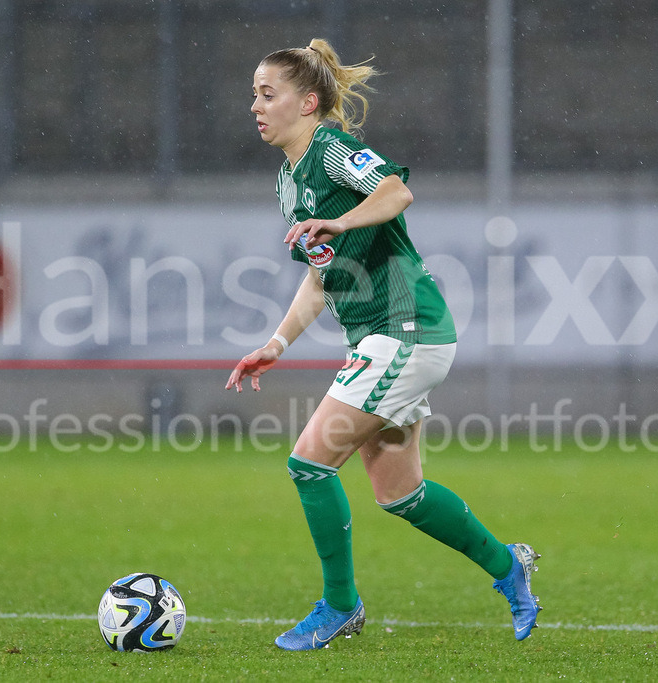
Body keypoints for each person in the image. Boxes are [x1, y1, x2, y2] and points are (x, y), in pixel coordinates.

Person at [225, 38, 541, 651]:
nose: (256, 107)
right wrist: (277, 343)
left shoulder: (332, 148)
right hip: (385, 336)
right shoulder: (291, 181)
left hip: (406, 328)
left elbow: (397, 191)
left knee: (309, 463)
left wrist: (342, 220)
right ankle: (509, 568)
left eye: (269, 94)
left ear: (309, 102)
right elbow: (322, 277)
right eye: (253, 97)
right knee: (400, 494)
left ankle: (340, 606)